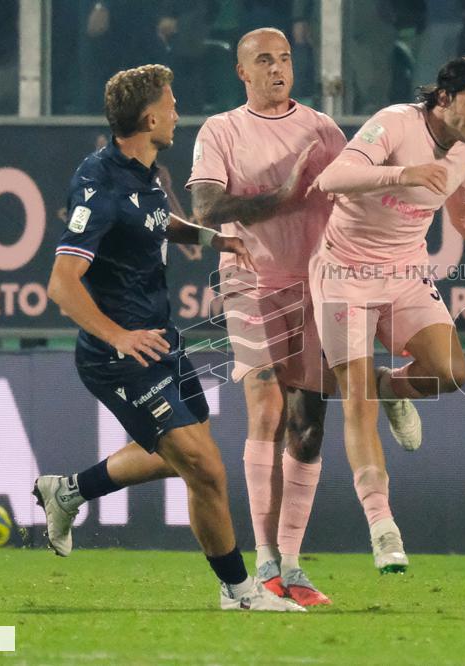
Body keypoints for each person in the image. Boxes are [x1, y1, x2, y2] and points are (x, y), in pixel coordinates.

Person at [35, 64, 303, 612]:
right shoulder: (102, 183)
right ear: (150, 115)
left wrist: (212, 238)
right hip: (122, 356)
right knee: (205, 467)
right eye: (172, 103)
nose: (178, 112)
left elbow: (158, 221)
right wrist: (118, 337)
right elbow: (62, 283)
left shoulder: (146, 173)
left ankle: (67, 492)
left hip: (164, 340)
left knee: (178, 459)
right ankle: (239, 590)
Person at [308, 56, 465, 572]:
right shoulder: (396, 122)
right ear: (444, 98)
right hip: (344, 272)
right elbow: (331, 179)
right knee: (356, 402)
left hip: (405, 272)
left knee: (450, 373)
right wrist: (405, 172)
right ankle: (384, 529)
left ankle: (391, 387)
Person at [184, 27, 348, 606]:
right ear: (242, 72)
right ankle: (264, 562)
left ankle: (293, 568)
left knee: (308, 426)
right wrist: (279, 196)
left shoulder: (324, 131)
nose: (277, 69)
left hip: (315, 285)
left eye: (284, 59)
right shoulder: (220, 131)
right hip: (250, 282)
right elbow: (204, 209)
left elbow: (352, 199)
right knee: (267, 407)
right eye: (263, 61)